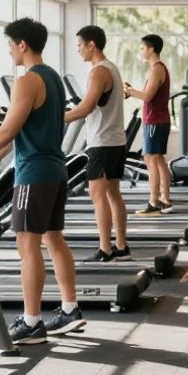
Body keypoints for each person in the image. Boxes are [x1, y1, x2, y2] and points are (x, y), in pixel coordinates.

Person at [0, 18, 83, 344]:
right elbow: (29, 128)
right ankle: (70, 309)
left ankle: (31, 321)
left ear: (22, 44)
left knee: (27, 246)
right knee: (54, 240)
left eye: (10, 44)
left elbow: (8, 129)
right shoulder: (52, 78)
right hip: (55, 169)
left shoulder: (26, 82)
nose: (10, 51)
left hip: (34, 175)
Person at [63, 25, 130, 263]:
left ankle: (106, 249)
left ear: (92, 44)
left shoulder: (98, 71)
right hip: (115, 140)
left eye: (80, 45)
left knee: (97, 194)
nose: (78, 50)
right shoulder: (111, 68)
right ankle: (120, 245)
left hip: (102, 142)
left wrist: (55, 117)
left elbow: (86, 107)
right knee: (113, 193)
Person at [123, 34, 173, 214]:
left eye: (143, 48)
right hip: (157, 120)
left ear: (151, 49)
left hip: (154, 121)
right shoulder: (157, 69)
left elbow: (147, 96)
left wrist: (130, 91)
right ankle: (165, 199)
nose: (141, 51)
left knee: (151, 159)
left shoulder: (157, 69)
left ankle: (154, 201)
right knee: (157, 159)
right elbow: (148, 94)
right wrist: (132, 91)